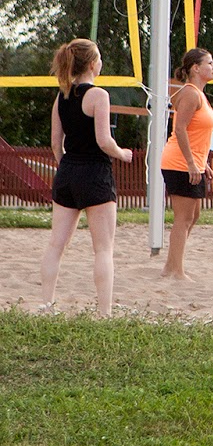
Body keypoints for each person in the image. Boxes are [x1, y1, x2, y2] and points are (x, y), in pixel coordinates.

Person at [40, 39, 133, 317]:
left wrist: (66, 166)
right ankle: (104, 311)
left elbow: (56, 143)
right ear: (93, 64)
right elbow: (104, 140)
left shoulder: (62, 95)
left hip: (68, 171)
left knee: (56, 244)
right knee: (103, 249)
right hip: (95, 173)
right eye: (100, 58)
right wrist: (122, 153)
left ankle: (46, 304)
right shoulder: (98, 95)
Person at [158, 48, 213, 280]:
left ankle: (172, 265)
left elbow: (196, 133)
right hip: (179, 162)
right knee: (183, 218)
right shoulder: (190, 93)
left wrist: (203, 163)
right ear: (195, 68)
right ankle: (175, 270)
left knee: (193, 216)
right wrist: (192, 163)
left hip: (192, 162)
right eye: (209, 63)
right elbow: (180, 129)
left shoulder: (199, 94)